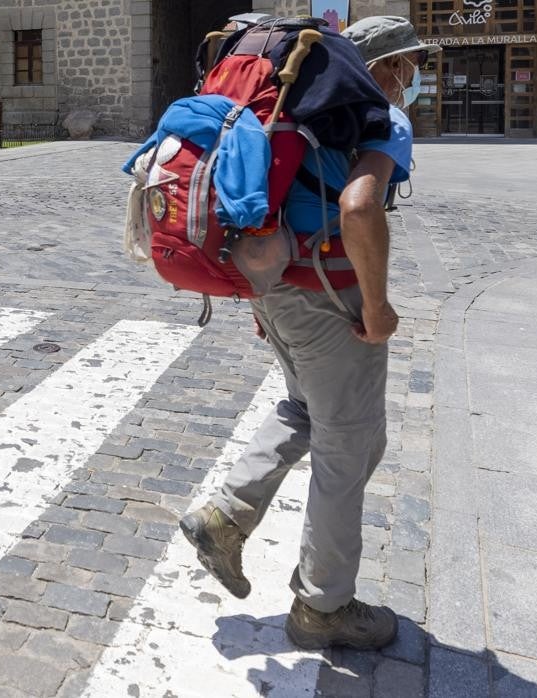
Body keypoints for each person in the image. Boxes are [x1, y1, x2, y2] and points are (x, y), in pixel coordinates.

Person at [180, 16, 436, 651]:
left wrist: (259, 297)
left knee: (302, 408)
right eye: (405, 65)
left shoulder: (291, 111)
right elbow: (358, 206)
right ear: (382, 69)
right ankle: (324, 606)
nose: (411, 78)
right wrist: (376, 306)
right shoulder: (379, 118)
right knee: (350, 444)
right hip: (332, 297)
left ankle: (226, 517)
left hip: (277, 289)